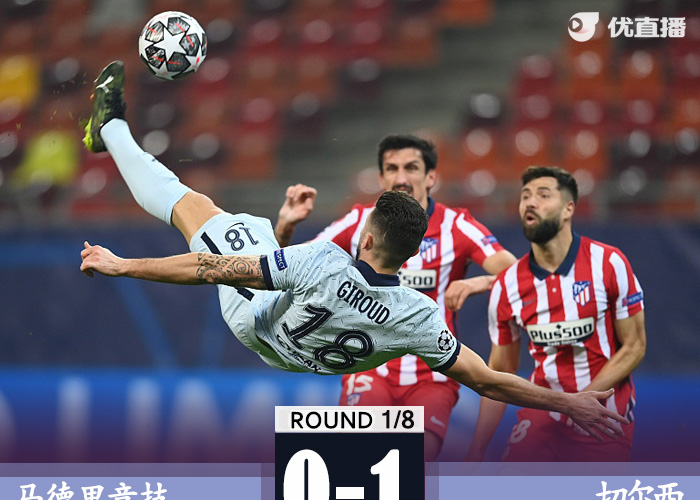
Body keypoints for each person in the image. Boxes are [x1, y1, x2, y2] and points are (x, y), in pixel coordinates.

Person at [80, 62, 628, 445]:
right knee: (256, 232)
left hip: (258, 322)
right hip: (312, 357)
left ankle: (111, 129)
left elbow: (210, 269)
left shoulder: (325, 259)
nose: (401, 176)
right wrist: (568, 401)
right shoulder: (419, 315)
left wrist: (122, 265)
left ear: (366, 237)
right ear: (412, 257)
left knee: (195, 208)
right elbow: (487, 379)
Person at [274, 135, 517, 460]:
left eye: (411, 167)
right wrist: (285, 227)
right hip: (368, 366)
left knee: (412, 464)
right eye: (392, 168)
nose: (401, 177)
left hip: (432, 375)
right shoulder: (360, 222)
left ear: (431, 177)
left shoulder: (457, 226)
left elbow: (519, 276)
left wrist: (479, 282)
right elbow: (290, 265)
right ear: (381, 178)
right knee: (359, 460)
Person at [466, 166, 646, 462]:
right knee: (511, 490)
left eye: (543, 195)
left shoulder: (609, 263)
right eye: (525, 196)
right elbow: (500, 373)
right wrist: (476, 450)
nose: (530, 202)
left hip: (604, 414)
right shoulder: (507, 285)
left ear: (568, 209)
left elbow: (634, 346)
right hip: (543, 414)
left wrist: (582, 401)